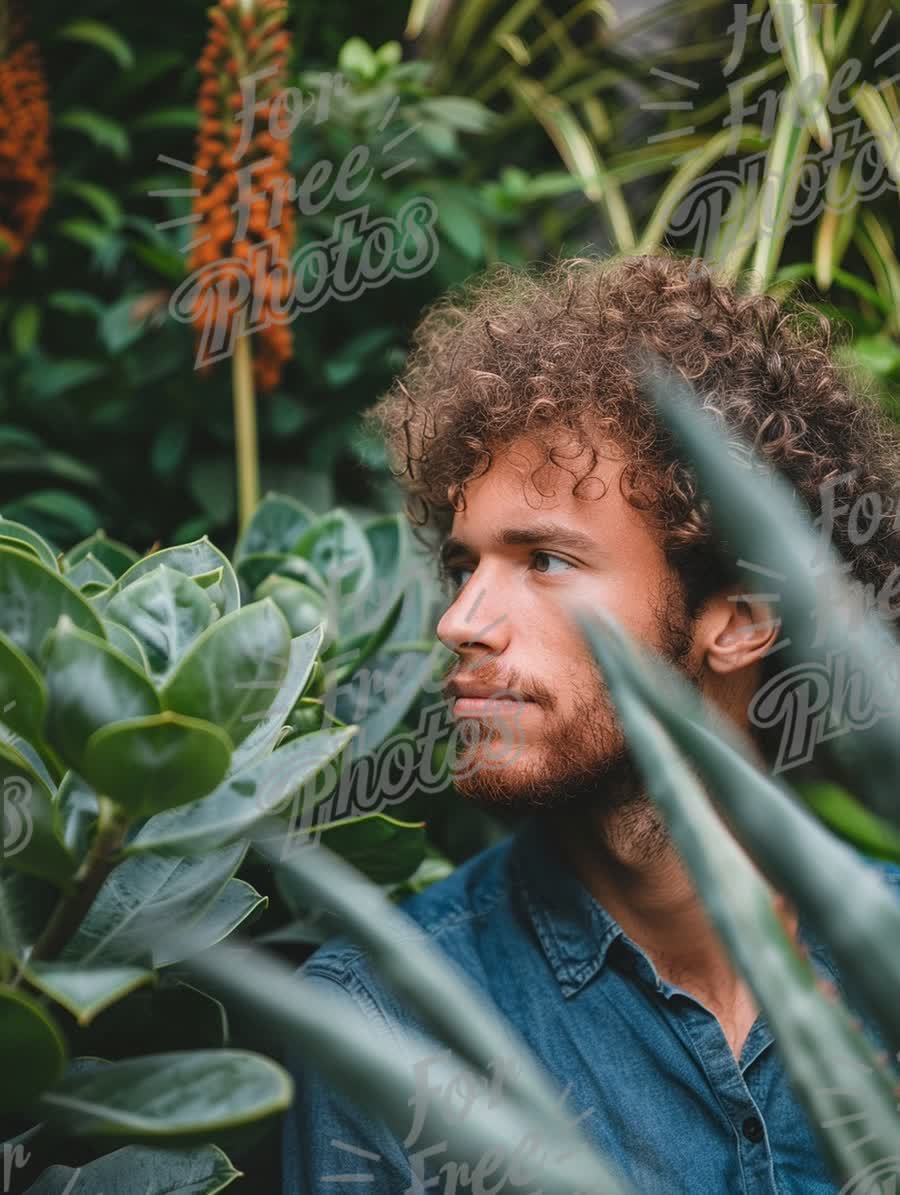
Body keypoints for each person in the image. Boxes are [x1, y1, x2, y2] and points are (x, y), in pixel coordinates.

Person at [282, 252, 900, 1194]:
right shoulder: (387, 1022)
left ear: (739, 618)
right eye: (465, 567)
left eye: (546, 560)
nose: (460, 621)